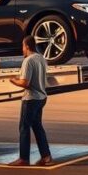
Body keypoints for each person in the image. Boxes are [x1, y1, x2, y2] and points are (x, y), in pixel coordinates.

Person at [8, 36, 53, 166]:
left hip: (31, 98)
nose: (22, 49)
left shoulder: (28, 61)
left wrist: (13, 80)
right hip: (42, 97)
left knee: (24, 127)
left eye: (23, 46)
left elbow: (24, 83)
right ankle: (46, 156)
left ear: (27, 46)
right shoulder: (41, 58)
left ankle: (23, 158)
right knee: (38, 127)